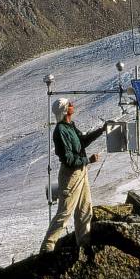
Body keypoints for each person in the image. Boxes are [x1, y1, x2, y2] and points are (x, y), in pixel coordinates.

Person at [40, 98, 106, 252]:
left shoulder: (70, 126)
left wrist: (101, 130)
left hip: (81, 170)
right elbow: (68, 159)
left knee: (85, 207)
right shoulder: (60, 131)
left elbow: (82, 141)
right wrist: (87, 160)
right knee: (65, 212)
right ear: (64, 110)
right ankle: (47, 248)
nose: (72, 105)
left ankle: (84, 244)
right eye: (68, 104)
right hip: (71, 174)